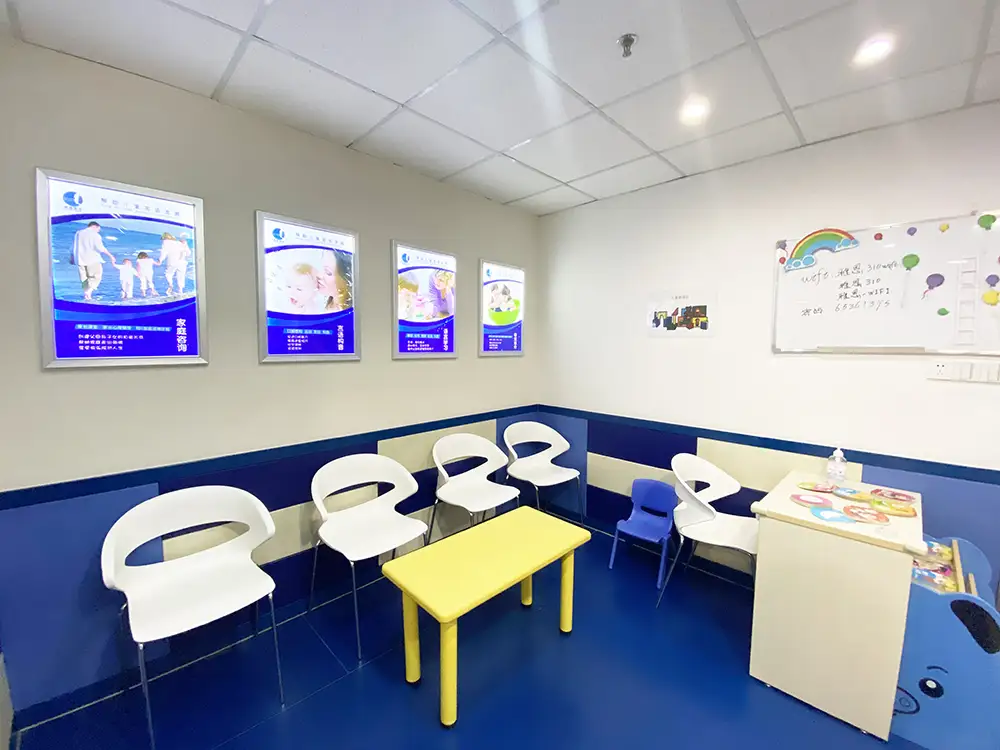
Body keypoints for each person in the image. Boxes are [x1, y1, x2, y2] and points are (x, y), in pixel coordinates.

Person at [70, 221, 115, 300]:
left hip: (79, 259)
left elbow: (73, 246)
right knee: (96, 276)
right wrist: (111, 256)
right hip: (92, 259)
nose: (98, 231)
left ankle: (86, 295)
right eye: (98, 229)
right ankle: (89, 292)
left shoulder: (78, 233)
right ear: (95, 227)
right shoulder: (95, 235)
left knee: (84, 278)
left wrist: (72, 257)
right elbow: (100, 248)